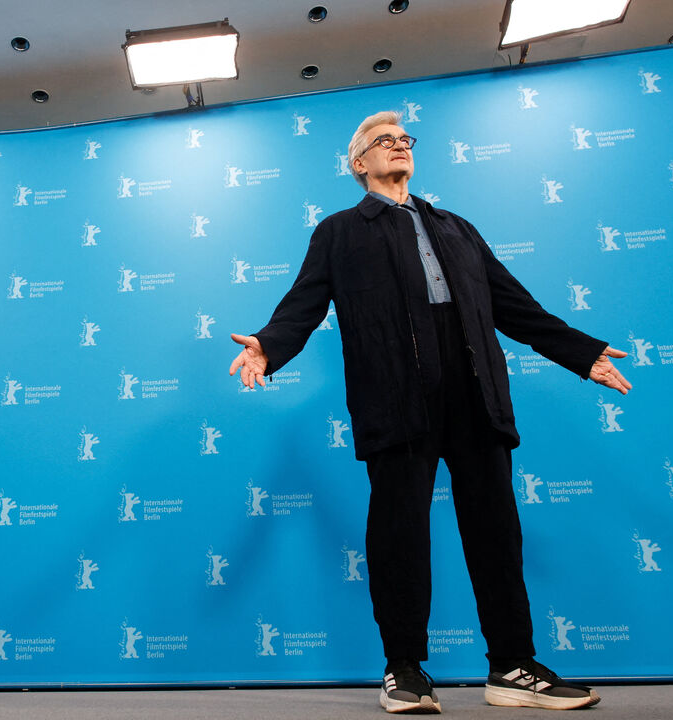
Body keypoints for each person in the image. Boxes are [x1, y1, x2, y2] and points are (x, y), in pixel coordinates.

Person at [228, 111, 631, 714]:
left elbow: (513, 306)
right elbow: (304, 303)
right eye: (381, 142)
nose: (397, 147)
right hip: (396, 396)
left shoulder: (457, 228)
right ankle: (406, 671)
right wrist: (270, 343)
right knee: (400, 534)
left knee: (496, 531)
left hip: (475, 391)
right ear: (359, 164)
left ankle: (513, 667)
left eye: (403, 140)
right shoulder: (338, 232)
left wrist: (581, 352)